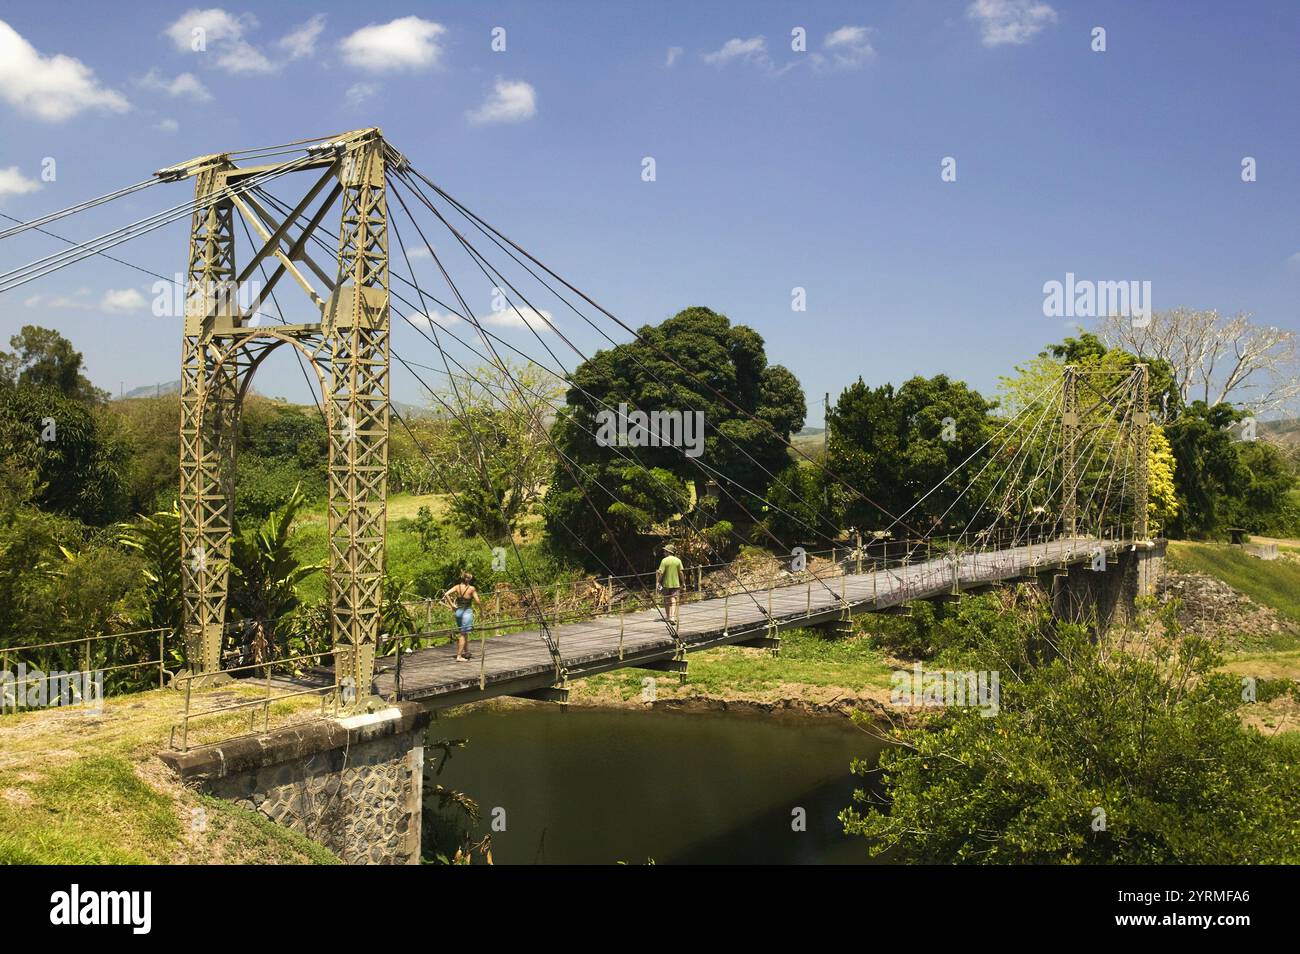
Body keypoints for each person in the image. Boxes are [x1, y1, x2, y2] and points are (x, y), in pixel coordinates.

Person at [444, 571, 481, 662]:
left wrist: (452, 605)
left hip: (458, 612)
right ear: (469, 579)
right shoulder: (472, 589)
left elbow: (446, 594)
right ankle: (459, 656)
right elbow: (477, 601)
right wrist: (482, 610)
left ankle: (466, 651)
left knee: (464, 632)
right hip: (466, 612)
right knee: (463, 634)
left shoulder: (457, 587)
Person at [655, 543, 684, 630]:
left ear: (668, 552)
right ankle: (672, 617)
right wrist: (683, 582)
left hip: (666, 584)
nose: (664, 553)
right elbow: (681, 572)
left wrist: (658, 582)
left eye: (665, 551)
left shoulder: (664, 561)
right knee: (674, 599)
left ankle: (668, 617)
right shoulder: (678, 561)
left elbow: (660, 572)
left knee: (667, 599)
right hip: (676, 583)